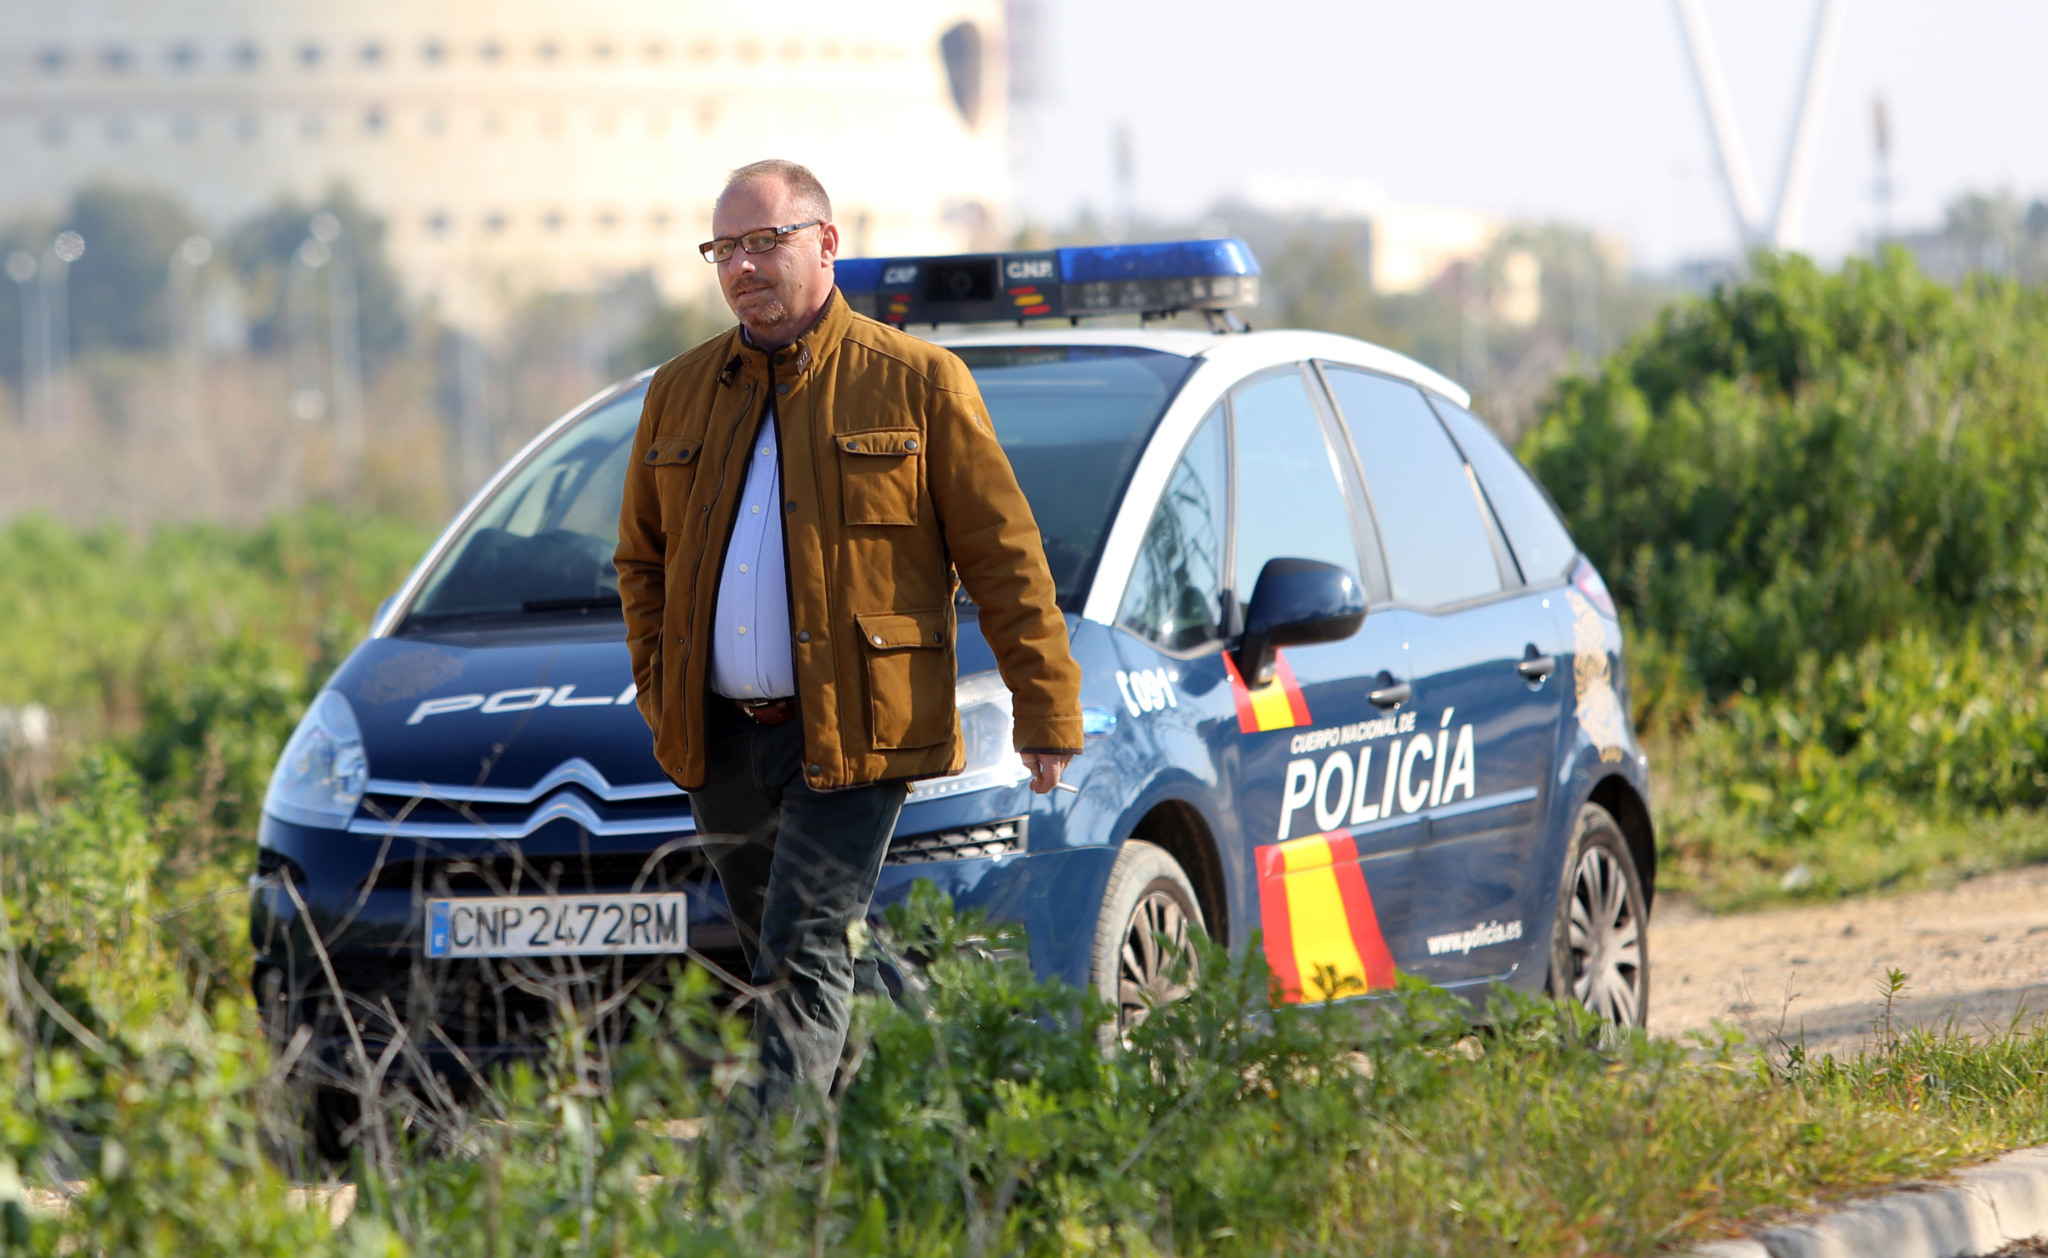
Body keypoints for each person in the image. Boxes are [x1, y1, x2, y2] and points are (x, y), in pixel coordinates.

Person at [614, 159, 1083, 1106]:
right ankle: (921, 1117)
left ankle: (763, 1186)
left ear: (826, 243)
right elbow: (642, 563)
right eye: (725, 249)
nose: (744, 267)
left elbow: (1004, 555)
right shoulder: (681, 389)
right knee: (798, 958)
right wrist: (664, 685)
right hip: (722, 742)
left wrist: (1046, 707)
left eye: (766, 242)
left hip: (858, 731)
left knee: (802, 952)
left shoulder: (917, 382)